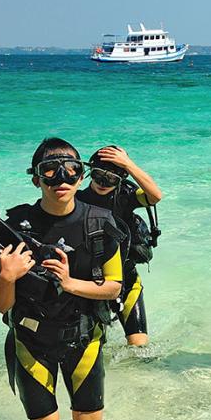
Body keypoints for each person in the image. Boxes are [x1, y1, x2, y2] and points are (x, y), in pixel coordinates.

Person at [0, 139, 123, 420]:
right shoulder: (15, 227)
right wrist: (6, 278)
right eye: (49, 172)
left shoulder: (100, 222)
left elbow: (114, 286)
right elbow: (0, 305)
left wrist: (68, 283)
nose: (60, 180)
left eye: (71, 171)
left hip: (84, 339)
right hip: (31, 340)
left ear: (82, 176)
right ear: (36, 178)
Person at [76, 144, 163, 347]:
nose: (103, 183)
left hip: (126, 278)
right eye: (98, 175)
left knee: (139, 347)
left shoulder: (125, 196)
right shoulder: (77, 200)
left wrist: (128, 164)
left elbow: (155, 196)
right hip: (92, 282)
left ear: (122, 178)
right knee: (93, 345)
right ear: (89, 173)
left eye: (112, 178)